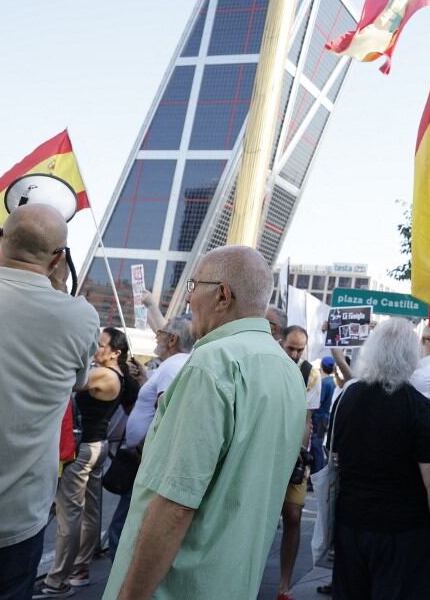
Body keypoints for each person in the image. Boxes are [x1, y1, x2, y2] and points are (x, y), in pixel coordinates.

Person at [102, 246, 306, 599]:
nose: (189, 299)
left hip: (176, 586)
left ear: (223, 295)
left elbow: (175, 504)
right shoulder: (286, 369)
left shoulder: (212, 363)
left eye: (194, 285)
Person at [0, 204, 99, 599]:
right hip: (13, 522)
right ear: (58, 258)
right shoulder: (79, 317)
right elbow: (79, 380)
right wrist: (58, 285)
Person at [330, 318, 430, 599]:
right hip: (402, 532)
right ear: (411, 355)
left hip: (351, 525)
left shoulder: (347, 399)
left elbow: (336, 455)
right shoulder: (418, 408)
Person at [37, 327, 133, 595]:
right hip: (97, 446)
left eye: (101, 345)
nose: (96, 349)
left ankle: (57, 579)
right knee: (89, 511)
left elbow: (69, 381)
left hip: (84, 450)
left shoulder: (103, 374)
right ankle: (80, 568)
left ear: (116, 352)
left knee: (70, 514)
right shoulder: (122, 376)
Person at [107, 315, 196, 560]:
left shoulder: (173, 366)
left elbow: (167, 414)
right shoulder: (174, 365)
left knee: (124, 525)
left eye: (161, 331)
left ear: (173, 339)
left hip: (144, 459)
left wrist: (143, 450)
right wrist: (145, 380)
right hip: (145, 457)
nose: (158, 335)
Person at [277, 324, 314, 600]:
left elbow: (306, 418)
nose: (295, 354)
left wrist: (299, 452)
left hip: (295, 456)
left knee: (293, 514)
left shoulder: (309, 372)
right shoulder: (268, 363)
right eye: (291, 348)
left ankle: (284, 585)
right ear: (281, 342)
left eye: (300, 350)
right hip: (266, 453)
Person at [311, 356, 337, 473]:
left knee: (316, 445)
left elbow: (318, 402)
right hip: (324, 417)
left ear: (321, 367)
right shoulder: (331, 382)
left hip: (319, 418)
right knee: (317, 445)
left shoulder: (324, 383)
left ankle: (318, 473)